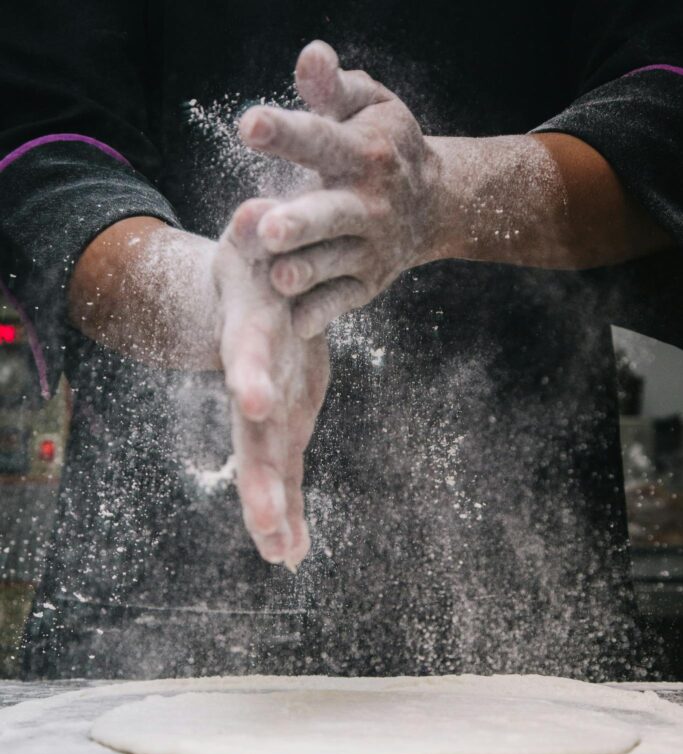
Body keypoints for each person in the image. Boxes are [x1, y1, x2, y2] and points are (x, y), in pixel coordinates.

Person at [1, 1, 682, 681]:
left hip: (532, 580)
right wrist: (211, 298)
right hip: (156, 595)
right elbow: (41, 144)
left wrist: (447, 194)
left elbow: (665, 103)